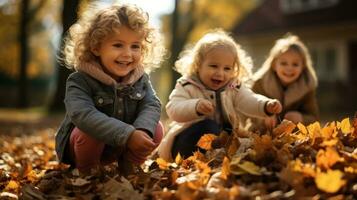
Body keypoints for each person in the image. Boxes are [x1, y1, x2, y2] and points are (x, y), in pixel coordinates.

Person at [55, 3, 166, 174]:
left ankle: (129, 166)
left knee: (155, 128)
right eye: (118, 45)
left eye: (135, 46)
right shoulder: (79, 81)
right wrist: (127, 135)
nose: (128, 54)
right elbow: (83, 115)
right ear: (96, 47)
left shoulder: (140, 79)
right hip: (82, 147)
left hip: (121, 146)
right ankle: (88, 174)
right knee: (90, 132)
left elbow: (151, 104)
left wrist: (142, 131)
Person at [157, 30, 282, 161]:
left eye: (227, 68)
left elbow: (249, 99)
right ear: (198, 65)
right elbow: (173, 108)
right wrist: (195, 106)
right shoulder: (187, 85)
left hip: (221, 141)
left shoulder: (233, 86)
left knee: (234, 138)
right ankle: (194, 161)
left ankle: (218, 160)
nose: (220, 73)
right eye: (214, 66)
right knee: (208, 126)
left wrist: (265, 105)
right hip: (187, 140)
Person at [251, 34, 319, 131]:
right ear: (274, 65)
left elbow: (314, 117)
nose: (289, 68)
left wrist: (301, 118)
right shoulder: (260, 83)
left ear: (303, 67)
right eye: (283, 63)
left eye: (295, 64)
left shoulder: (307, 86)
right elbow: (248, 111)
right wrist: (262, 117)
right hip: (261, 133)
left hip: (293, 136)